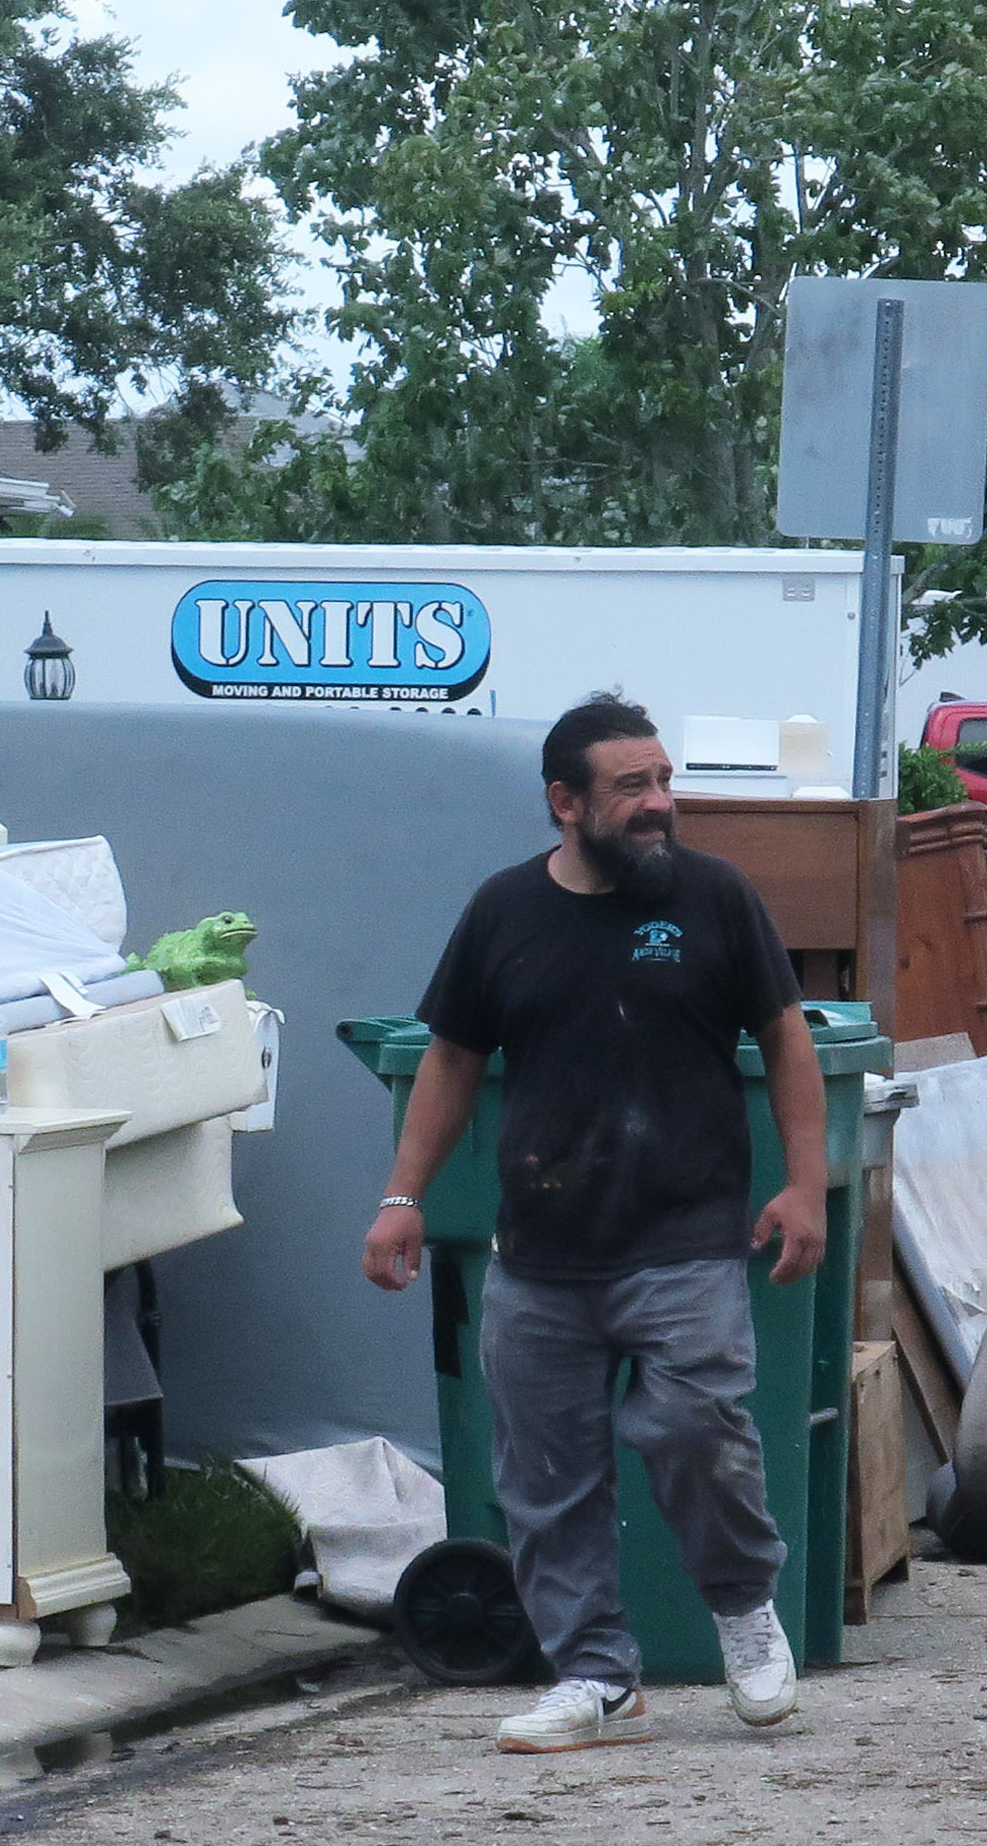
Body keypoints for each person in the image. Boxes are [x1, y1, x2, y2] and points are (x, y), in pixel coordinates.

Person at [361, 693, 831, 1754]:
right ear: (564, 804)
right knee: (545, 1480)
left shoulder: (715, 899)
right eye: (634, 788)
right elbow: (450, 1060)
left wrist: (806, 1183)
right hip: (539, 1257)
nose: (660, 805)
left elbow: (789, 1039)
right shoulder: (501, 913)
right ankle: (596, 1676)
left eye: (665, 782)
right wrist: (403, 1197)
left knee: (697, 1432)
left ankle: (744, 1613)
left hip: (687, 1241)